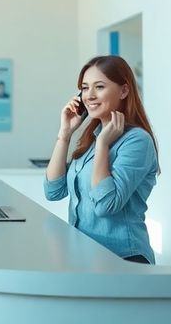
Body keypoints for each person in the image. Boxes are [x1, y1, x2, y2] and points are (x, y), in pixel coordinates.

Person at [43, 55, 160, 264]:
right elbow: (53, 191)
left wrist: (103, 146)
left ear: (124, 91)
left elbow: (106, 206)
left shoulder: (137, 141)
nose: (89, 96)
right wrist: (64, 135)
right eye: (85, 88)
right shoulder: (94, 136)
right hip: (86, 256)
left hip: (123, 259)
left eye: (99, 87)